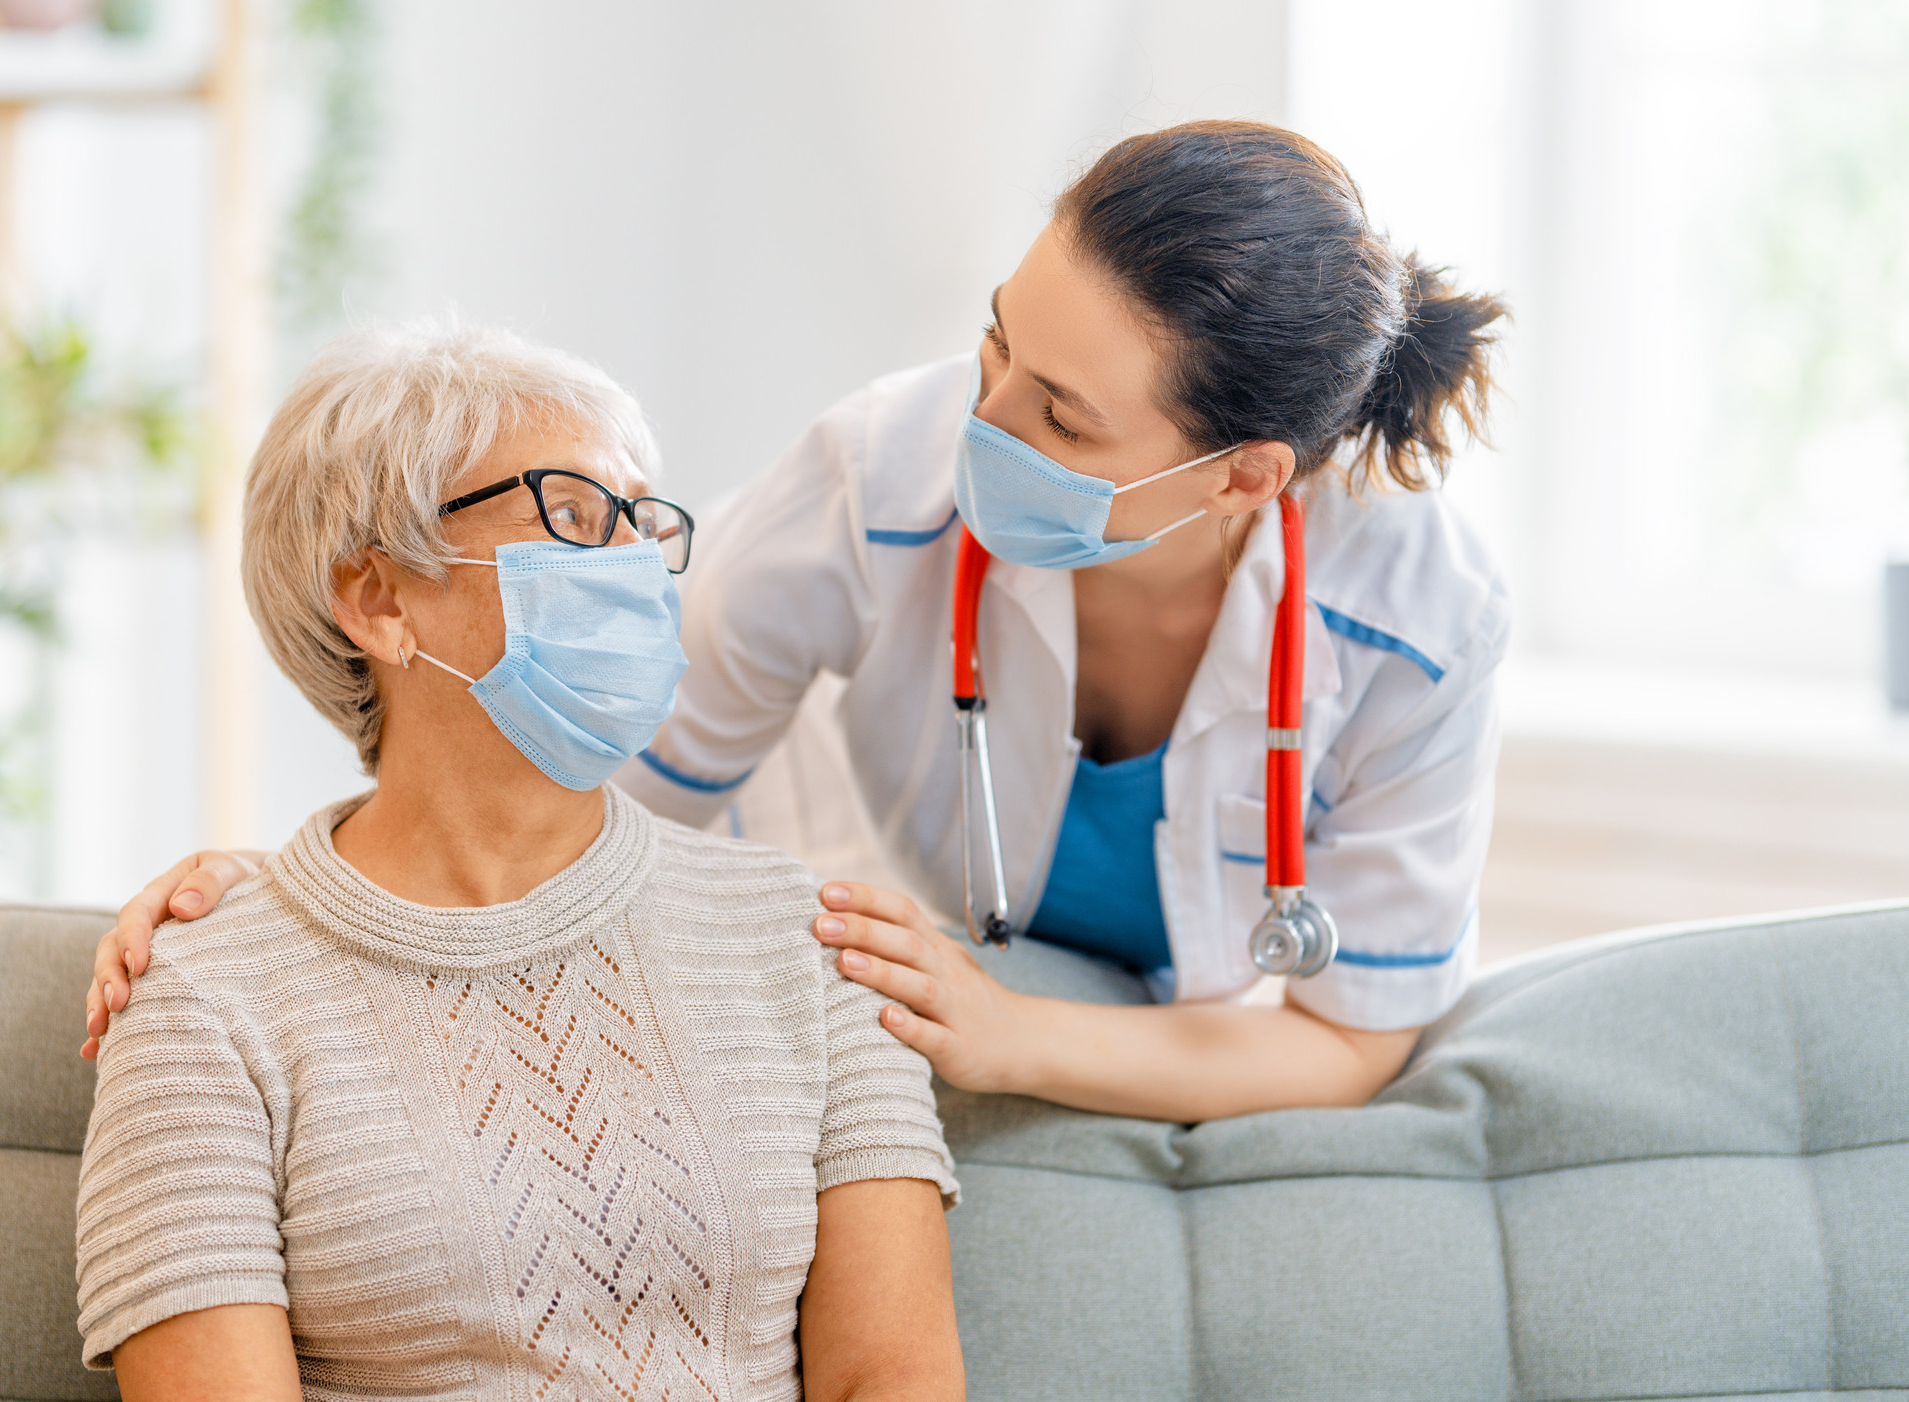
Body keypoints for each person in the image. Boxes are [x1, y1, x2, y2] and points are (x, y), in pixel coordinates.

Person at [85, 120, 1509, 1127]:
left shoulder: (1417, 611)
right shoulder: (877, 470)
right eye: (1000, 340)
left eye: (1061, 415)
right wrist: (294, 892)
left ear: (1245, 477)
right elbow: (583, 770)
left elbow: (1349, 1039)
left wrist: (1015, 1035)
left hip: (1170, 1039)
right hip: (876, 957)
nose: (982, 420)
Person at [74, 323, 962, 1399]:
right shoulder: (202, 996)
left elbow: (893, 1377)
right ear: (379, 599)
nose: (632, 566)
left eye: (640, 523)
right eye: (573, 517)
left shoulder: (809, 940)